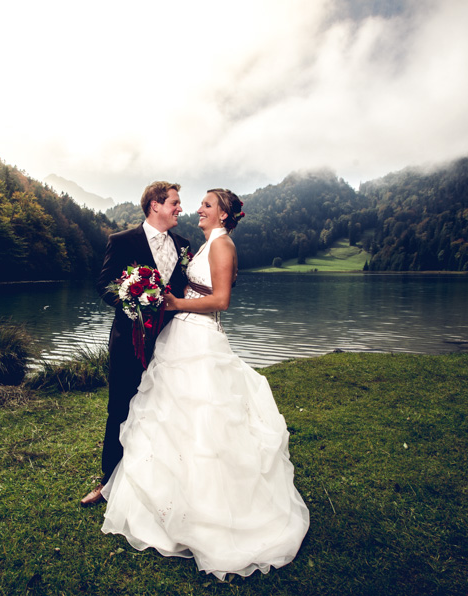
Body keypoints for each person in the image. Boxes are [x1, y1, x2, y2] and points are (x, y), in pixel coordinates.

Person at [100, 189, 310, 579]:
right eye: (185, 204)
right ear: (154, 206)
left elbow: (222, 299)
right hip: (172, 335)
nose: (195, 208)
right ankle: (131, 483)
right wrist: (141, 298)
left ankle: (204, 502)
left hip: (197, 335)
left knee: (201, 415)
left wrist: (176, 304)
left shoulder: (219, 244)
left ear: (224, 214)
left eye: (206, 205)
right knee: (160, 410)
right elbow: (121, 283)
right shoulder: (200, 244)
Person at [81, 181, 191, 506]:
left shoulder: (184, 245)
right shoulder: (122, 240)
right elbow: (104, 283)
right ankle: (107, 483)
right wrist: (132, 301)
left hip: (172, 343)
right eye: (174, 202)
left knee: (165, 411)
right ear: (155, 204)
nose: (179, 209)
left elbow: (186, 289)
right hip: (129, 341)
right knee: (120, 409)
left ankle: (156, 483)